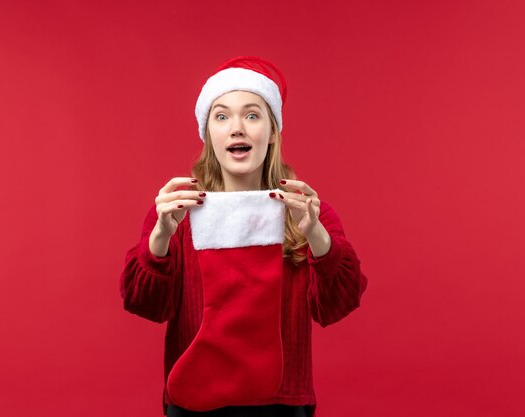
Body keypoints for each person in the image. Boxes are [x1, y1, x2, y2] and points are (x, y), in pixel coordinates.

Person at [119, 56, 368, 417]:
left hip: (283, 402)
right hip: (194, 399)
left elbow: (337, 305)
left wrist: (316, 234)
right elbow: (145, 305)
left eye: (252, 115)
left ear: (272, 131)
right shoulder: (180, 208)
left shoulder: (306, 210)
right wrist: (160, 237)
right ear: (209, 135)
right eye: (222, 116)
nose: (237, 128)